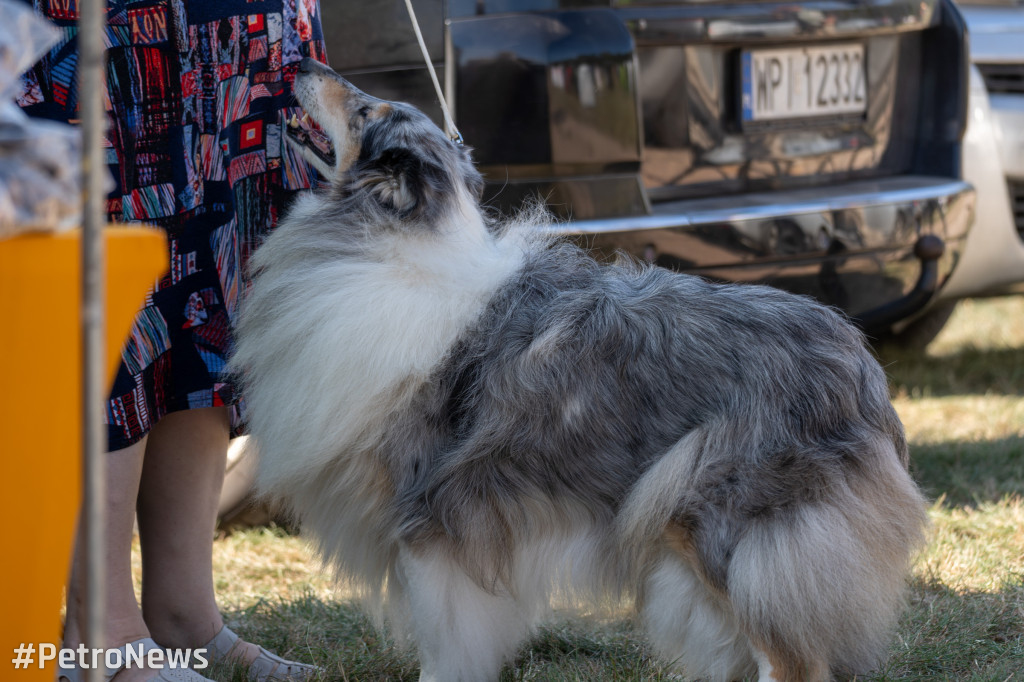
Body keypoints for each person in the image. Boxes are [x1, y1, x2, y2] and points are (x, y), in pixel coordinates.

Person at [18, 1, 327, 679]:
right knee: (107, 272)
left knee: (212, 278)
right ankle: (98, 629)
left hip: (237, 27)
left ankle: (183, 613)